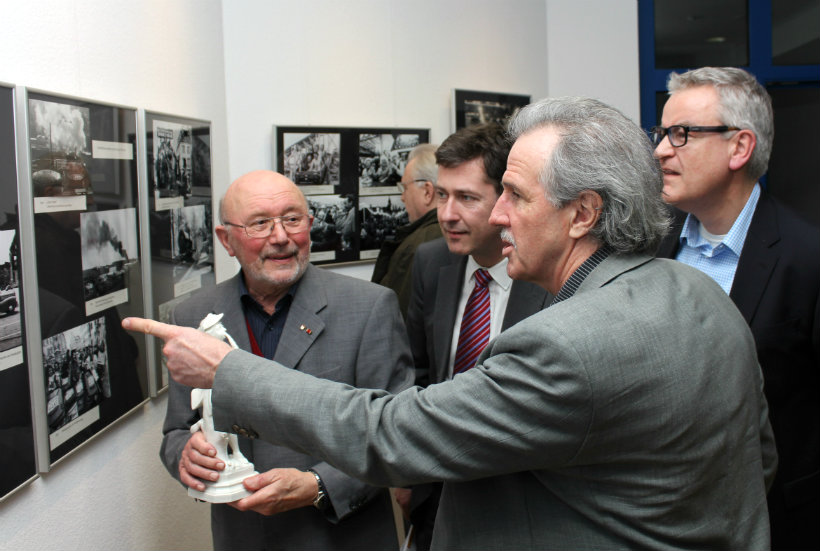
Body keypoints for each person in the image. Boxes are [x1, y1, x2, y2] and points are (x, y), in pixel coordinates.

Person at [128, 97, 776, 550]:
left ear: (582, 213)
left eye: (515, 197)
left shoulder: (566, 344)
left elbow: (390, 433)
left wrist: (226, 369)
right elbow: (757, 457)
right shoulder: (701, 294)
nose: (496, 218)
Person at [159, 170, 414, 551]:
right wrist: (187, 456)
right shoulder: (193, 317)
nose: (280, 237)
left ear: (310, 225)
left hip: (341, 535)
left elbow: (400, 434)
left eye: (292, 219)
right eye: (260, 223)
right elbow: (177, 430)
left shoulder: (369, 307)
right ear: (226, 240)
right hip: (242, 537)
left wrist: (318, 486)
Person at [652, 66, 819, 550]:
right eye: (662, 133)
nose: (661, 150)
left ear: (740, 147)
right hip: (662, 520)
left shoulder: (806, 259)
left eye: (682, 134)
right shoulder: (650, 249)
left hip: (775, 522)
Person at [400, 124, 551, 549]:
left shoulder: (549, 276)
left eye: (466, 198)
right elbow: (419, 370)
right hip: (438, 492)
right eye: (443, 195)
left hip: (523, 501)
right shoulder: (432, 263)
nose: (447, 214)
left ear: (506, 199)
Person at [371, 143, 442, 317]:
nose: (402, 197)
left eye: (404, 188)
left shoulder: (415, 247)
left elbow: (396, 318)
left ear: (427, 191)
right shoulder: (456, 236)